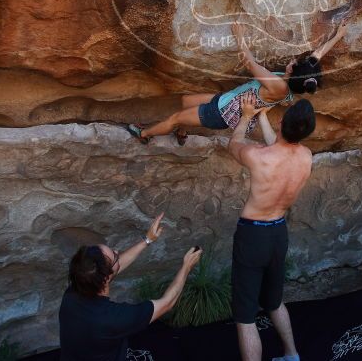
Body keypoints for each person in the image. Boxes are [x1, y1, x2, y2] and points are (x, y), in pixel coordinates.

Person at [126, 20, 346, 145]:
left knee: (174, 118)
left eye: (295, 62)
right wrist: (336, 37)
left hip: (223, 113)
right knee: (185, 101)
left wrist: (238, 35)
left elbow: (250, 64)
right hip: (229, 101)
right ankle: (183, 131)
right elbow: (315, 58)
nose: (294, 60)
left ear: (293, 71)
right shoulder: (293, 84)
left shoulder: (278, 85)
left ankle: (144, 134)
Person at [226, 92, 316, 361]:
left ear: (281, 125)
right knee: (274, 302)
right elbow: (280, 147)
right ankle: (291, 355)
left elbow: (234, 144)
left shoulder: (258, 156)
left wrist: (245, 117)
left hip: (253, 235)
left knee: (245, 316)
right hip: (278, 233)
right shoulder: (306, 156)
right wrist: (263, 115)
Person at [58, 212, 202, 361]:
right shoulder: (113, 318)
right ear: (105, 278)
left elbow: (114, 269)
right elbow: (167, 303)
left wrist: (147, 239)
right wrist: (186, 267)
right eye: (114, 256)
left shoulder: (74, 290)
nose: (117, 252)